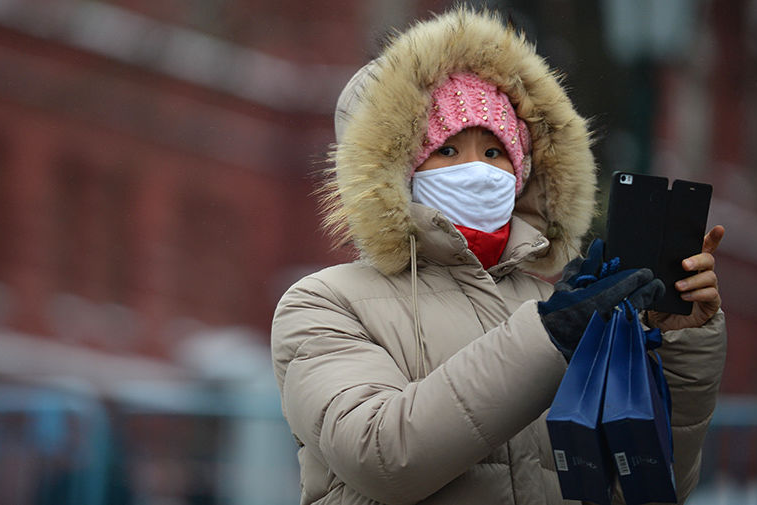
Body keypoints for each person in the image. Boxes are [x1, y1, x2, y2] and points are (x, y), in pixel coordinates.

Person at [271, 7, 726, 505]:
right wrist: (548, 335)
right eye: (447, 151)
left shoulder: (553, 301)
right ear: (394, 169)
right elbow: (382, 456)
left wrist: (682, 346)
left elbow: (647, 488)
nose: (478, 171)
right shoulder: (324, 304)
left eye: (494, 152)